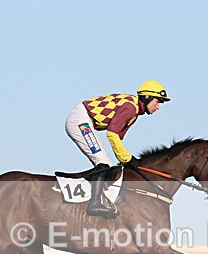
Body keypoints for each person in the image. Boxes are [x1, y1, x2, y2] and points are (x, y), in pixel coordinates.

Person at [65, 80, 170, 217]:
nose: (158, 106)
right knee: (103, 163)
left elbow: (117, 140)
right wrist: (128, 159)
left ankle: (98, 197)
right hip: (81, 120)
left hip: (85, 119)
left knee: (108, 165)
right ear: (147, 97)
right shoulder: (131, 108)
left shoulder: (135, 112)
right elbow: (112, 135)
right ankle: (94, 203)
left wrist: (125, 161)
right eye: (158, 101)